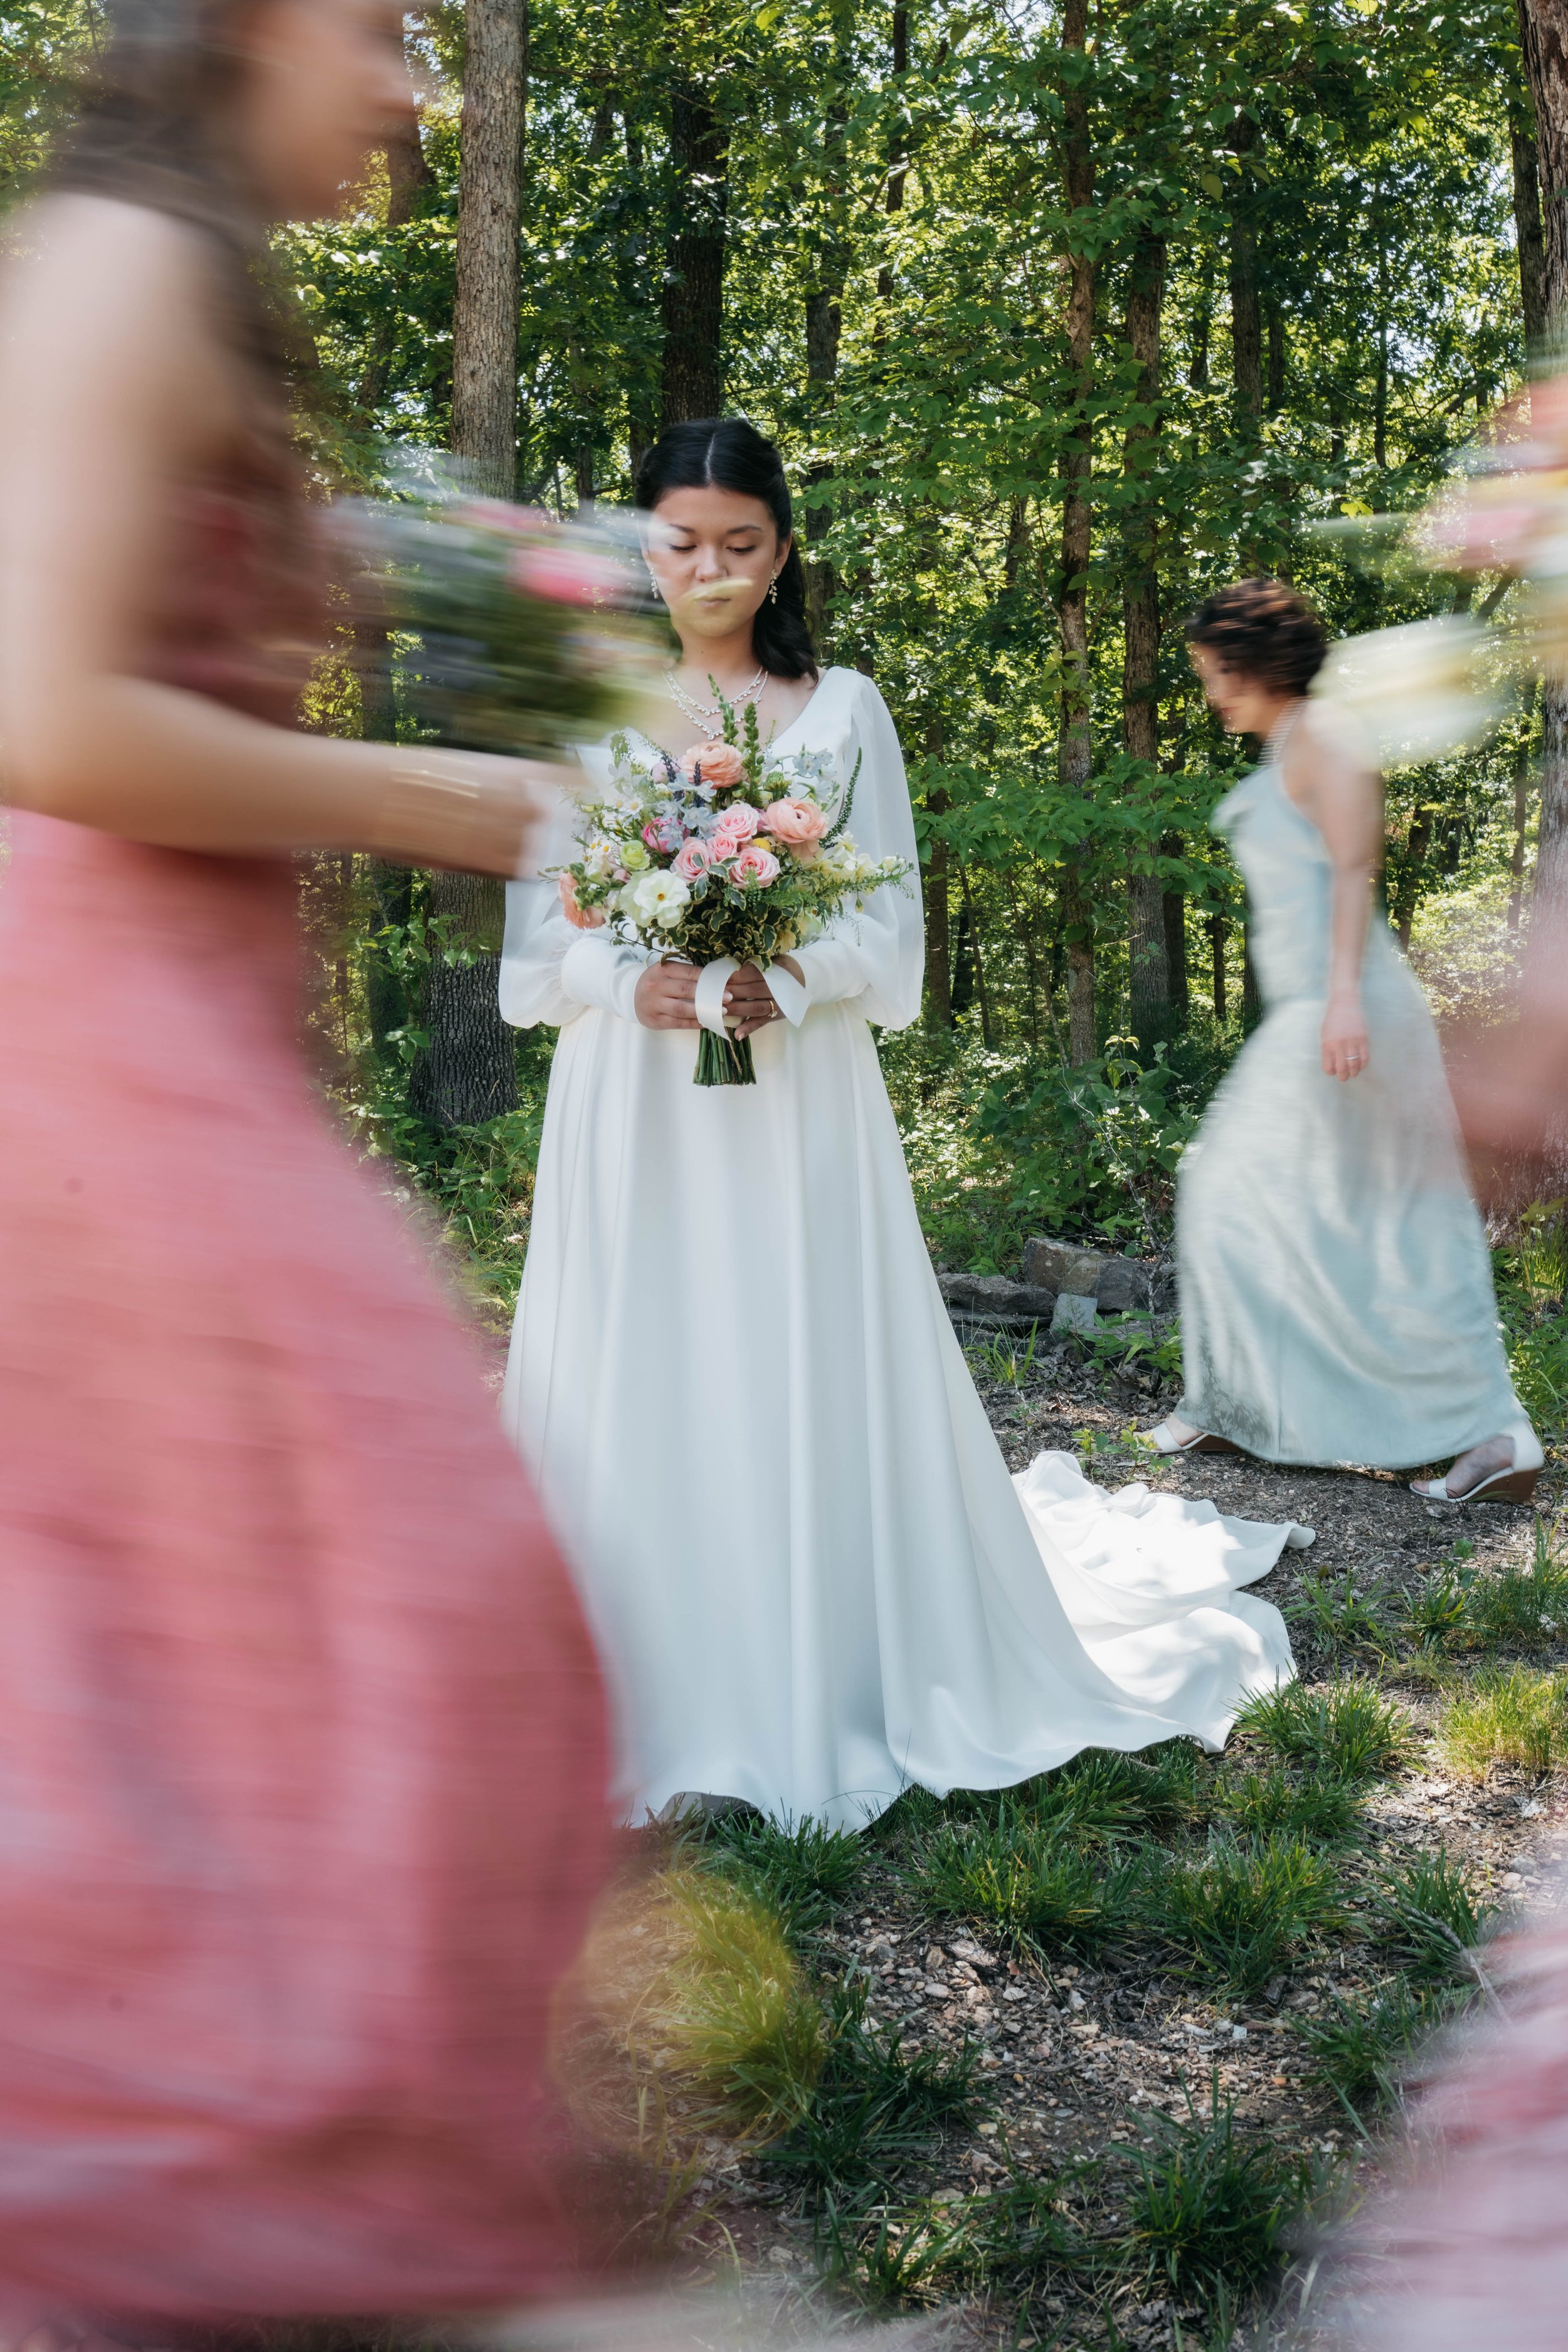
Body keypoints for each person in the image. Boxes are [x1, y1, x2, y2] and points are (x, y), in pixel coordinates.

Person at [0, 0, 611, 2325]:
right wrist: (443, 797)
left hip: (187, 1039)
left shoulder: (180, 270)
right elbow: (39, 712)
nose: (409, 91)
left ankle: (243, 2191)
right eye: (381, 31)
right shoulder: (112, 257)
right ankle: (235, 2180)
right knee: (430, 1600)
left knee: (252, 1651)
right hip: (86, 1052)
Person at [499, 416, 1310, 1837]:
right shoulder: (587, 714)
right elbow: (530, 955)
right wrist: (638, 979)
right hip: (631, 1097)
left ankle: (818, 1658)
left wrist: (784, 973)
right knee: (652, 1344)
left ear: (781, 551)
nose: (707, 571)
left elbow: (890, 934)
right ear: (642, 543)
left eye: (739, 546)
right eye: (680, 542)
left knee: (783, 1340)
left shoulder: (842, 708)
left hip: (791, 1091)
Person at [1145, 578, 1538, 1503]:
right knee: (1290, 1201)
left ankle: (1492, 1434)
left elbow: (1357, 868)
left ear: (1256, 666)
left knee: (1380, 1211)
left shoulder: (1327, 737)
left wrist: (1342, 1002)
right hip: (1317, 1009)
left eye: (1215, 674)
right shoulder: (1291, 741)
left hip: (1349, 1010)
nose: (1210, 694)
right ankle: (1240, 1405)